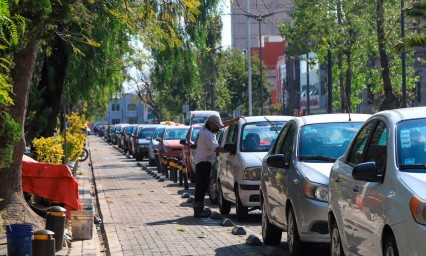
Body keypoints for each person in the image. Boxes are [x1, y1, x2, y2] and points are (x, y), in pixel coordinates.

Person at [193, 114, 242, 218]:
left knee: (202, 186)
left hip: (204, 162)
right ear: (211, 124)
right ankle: (198, 211)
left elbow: (222, 125)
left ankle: (199, 209)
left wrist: (234, 120)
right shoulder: (207, 135)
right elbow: (218, 149)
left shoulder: (207, 129)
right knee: (201, 187)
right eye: (216, 126)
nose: (218, 128)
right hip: (203, 163)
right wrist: (232, 148)